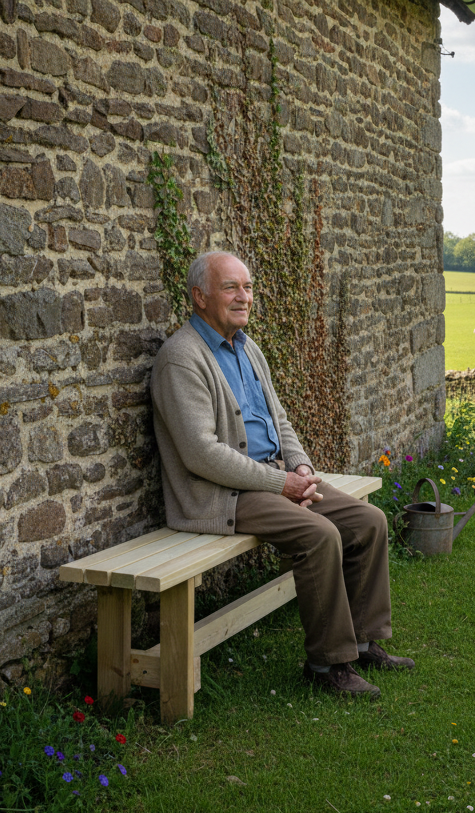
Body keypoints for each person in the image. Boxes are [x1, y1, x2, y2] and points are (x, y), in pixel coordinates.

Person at [150, 251, 413, 699]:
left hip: (273, 477)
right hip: (221, 494)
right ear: (199, 297)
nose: (243, 297)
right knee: (320, 534)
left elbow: (279, 420)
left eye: (247, 287)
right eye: (231, 287)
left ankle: (364, 643)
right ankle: (327, 666)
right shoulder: (181, 358)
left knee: (369, 522)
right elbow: (201, 455)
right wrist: (282, 484)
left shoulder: (247, 347)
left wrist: (302, 467)